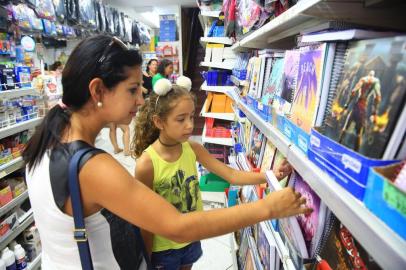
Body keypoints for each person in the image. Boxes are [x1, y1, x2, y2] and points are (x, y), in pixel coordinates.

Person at [23, 34, 310, 270]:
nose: (141, 98)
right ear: (97, 91)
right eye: (133, 89)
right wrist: (267, 207)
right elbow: (177, 226)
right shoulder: (93, 167)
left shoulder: (45, 140)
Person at [133, 78, 297, 270]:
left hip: (192, 237)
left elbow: (231, 175)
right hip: (163, 249)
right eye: (180, 119)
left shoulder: (192, 148)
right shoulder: (147, 164)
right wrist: (146, 255)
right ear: (159, 122)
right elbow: (143, 218)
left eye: (192, 117)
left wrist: (270, 175)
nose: (189, 125)